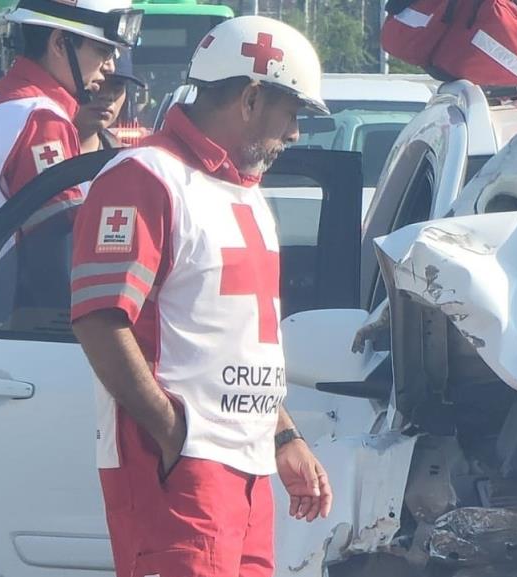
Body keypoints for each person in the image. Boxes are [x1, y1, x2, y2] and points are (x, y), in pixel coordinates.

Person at [70, 16, 332, 577]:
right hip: (181, 467)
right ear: (252, 97)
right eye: (293, 113)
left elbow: (238, 342)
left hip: (248, 468)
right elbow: (98, 318)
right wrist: (172, 434)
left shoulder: (246, 192)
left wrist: (283, 435)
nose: (294, 134)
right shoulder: (144, 176)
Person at [0, 0, 143, 292]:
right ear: (60, 43)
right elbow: (58, 246)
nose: (109, 66)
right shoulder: (41, 118)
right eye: (103, 50)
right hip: (4, 322)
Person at [76, 50, 145, 153]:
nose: (107, 95)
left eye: (117, 85)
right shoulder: (47, 151)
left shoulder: (127, 162)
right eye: (97, 82)